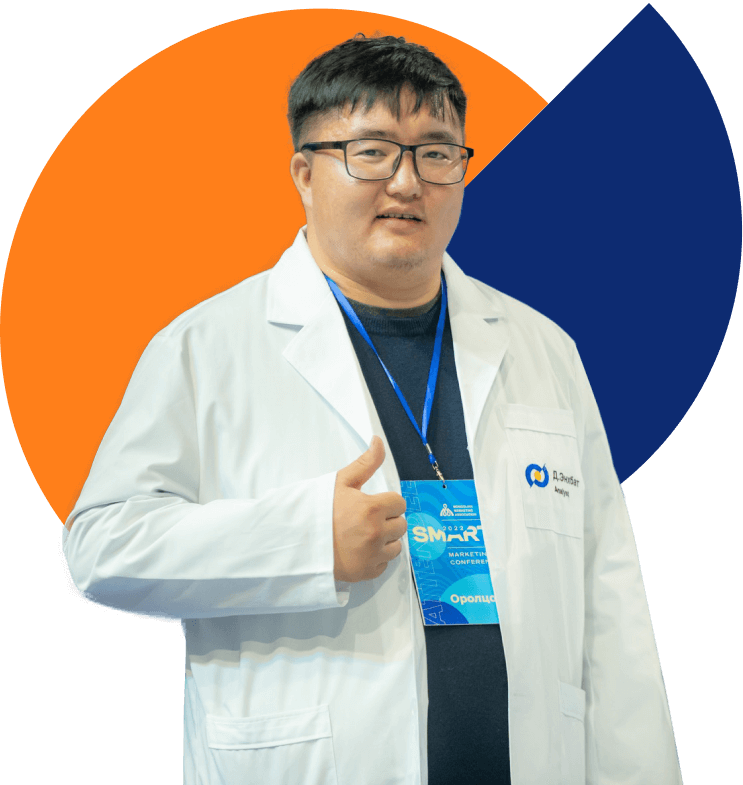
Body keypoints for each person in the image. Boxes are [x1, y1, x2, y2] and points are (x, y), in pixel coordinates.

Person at [62, 34, 683, 785]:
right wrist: (300, 541)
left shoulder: (543, 348)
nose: (407, 182)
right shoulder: (205, 346)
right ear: (304, 172)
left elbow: (609, 595)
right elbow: (101, 548)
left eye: (436, 153)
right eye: (372, 152)